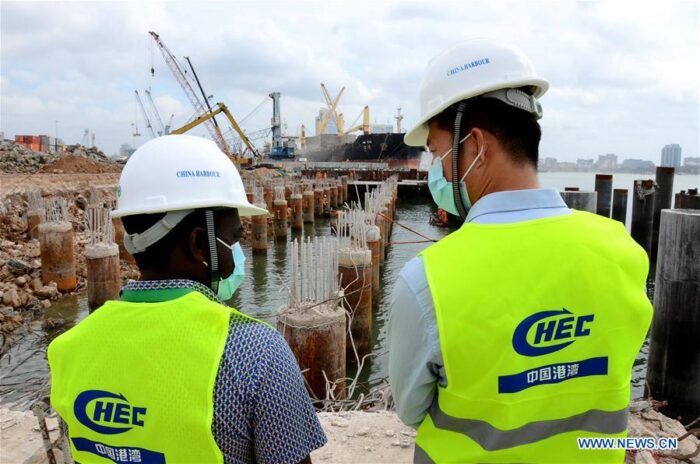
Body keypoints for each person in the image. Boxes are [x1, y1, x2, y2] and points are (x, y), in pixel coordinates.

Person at [388, 39, 652, 463]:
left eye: (437, 153)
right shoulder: (623, 252)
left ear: (476, 146)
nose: (434, 170)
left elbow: (410, 408)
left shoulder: (427, 281)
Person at [48, 135, 326, 464]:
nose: (237, 253)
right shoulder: (255, 351)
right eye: (233, 238)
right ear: (199, 244)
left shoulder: (69, 348)